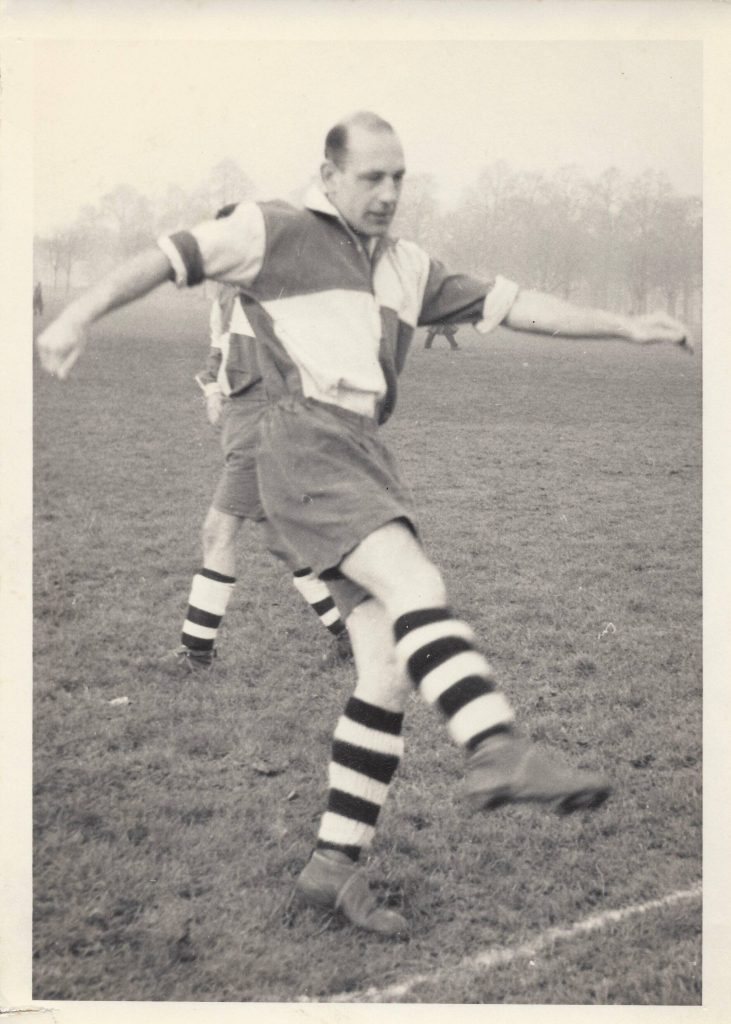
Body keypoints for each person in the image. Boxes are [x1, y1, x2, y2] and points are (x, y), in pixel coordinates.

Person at [37, 110, 691, 938]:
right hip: (299, 435)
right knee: (416, 583)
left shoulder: (407, 267)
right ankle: (494, 747)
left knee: (382, 666)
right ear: (331, 174)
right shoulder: (272, 228)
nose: (387, 193)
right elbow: (167, 257)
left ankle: (331, 867)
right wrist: (76, 314)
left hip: (358, 448)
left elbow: (521, 306)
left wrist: (628, 325)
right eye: (371, 177)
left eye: (398, 178)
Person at [164, 227, 351, 675]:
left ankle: (196, 653)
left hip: (265, 422)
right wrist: (212, 391)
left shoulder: (278, 293)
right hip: (239, 418)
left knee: (217, 531)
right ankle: (352, 633)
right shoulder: (225, 298)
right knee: (281, 540)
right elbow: (218, 353)